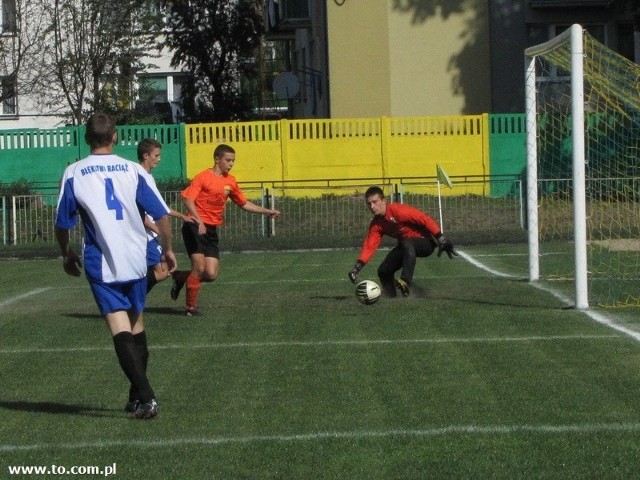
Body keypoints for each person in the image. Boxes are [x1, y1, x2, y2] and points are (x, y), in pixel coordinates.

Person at [55, 113, 177, 420]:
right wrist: (169, 249)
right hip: (136, 258)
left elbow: (62, 222)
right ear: (116, 137)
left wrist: (66, 252)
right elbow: (161, 214)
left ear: (85, 139)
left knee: (119, 328)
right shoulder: (133, 170)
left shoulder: (75, 172)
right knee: (136, 325)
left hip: (102, 260)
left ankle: (147, 398)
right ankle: (136, 397)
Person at [170, 143, 280, 316]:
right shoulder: (202, 177)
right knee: (199, 268)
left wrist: (267, 211)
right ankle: (190, 308)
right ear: (217, 159)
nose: (231, 164)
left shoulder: (230, 181)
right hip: (194, 226)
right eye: (228, 160)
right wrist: (199, 221)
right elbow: (188, 200)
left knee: (211, 274)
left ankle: (180, 277)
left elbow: (243, 203)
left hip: (211, 230)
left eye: (233, 161)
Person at [348, 186, 457, 297]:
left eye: (375, 202)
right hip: (406, 246)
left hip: (426, 243)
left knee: (406, 243)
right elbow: (369, 246)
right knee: (383, 271)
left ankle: (405, 281)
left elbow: (424, 218)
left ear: (384, 200)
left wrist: (441, 239)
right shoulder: (376, 224)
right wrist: (356, 269)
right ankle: (392, 298)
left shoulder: (397, 210)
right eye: (369, 204)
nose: (372, 206)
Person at [137, 138, 193, 294]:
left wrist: (182, 216)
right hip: (145, 234)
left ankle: (132, 300)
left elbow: (160, 206)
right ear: (146, 155)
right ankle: (132, 300)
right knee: (163, 269)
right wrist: (157, 229)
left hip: (150, 233)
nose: (159, 159)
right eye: (156, 155)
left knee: (162, 267)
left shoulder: (148, 177)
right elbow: (139, 212)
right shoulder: (138, 176)